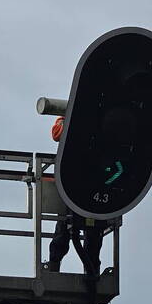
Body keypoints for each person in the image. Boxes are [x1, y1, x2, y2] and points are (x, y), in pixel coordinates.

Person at [45, 116, 104, 276]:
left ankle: (92, 273)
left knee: (94, 233)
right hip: (71, 184)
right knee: (64, 228)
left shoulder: (103, 120)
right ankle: (53, 270)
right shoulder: (68, 116)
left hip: (94, 185)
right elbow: (57, 134)